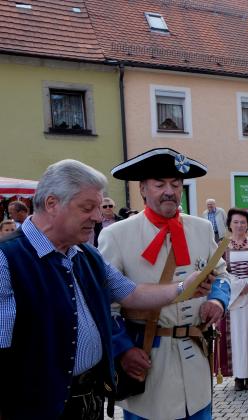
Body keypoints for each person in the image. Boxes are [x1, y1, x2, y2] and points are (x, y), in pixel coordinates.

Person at [0, 159, 201, 419]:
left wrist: (184, 287)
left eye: (98, 207)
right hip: (36, 407)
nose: (97, 216)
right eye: (87, 207)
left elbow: (132, 293)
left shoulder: (85, 254)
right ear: (52, 204)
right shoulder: (7, 259)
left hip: (89, 400)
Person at [98, 148, 232, 420]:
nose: (169, 191)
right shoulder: (116, 235)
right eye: (160, 184)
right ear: (143, 189)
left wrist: (217, 301)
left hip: (196, 364)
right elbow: (104, 304)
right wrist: (123, 350)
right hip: (148, 362)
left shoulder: (201, 228)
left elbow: (221, 276)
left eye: (175, 184)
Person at [215, 208, 248, 391]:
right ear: (229, 224)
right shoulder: (222, 247)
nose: (240, 225)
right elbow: (219, 272)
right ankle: (238, 376)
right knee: (235, 337)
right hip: (233, 299)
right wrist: (238, 285)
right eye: (236, 222)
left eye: (243, 222)